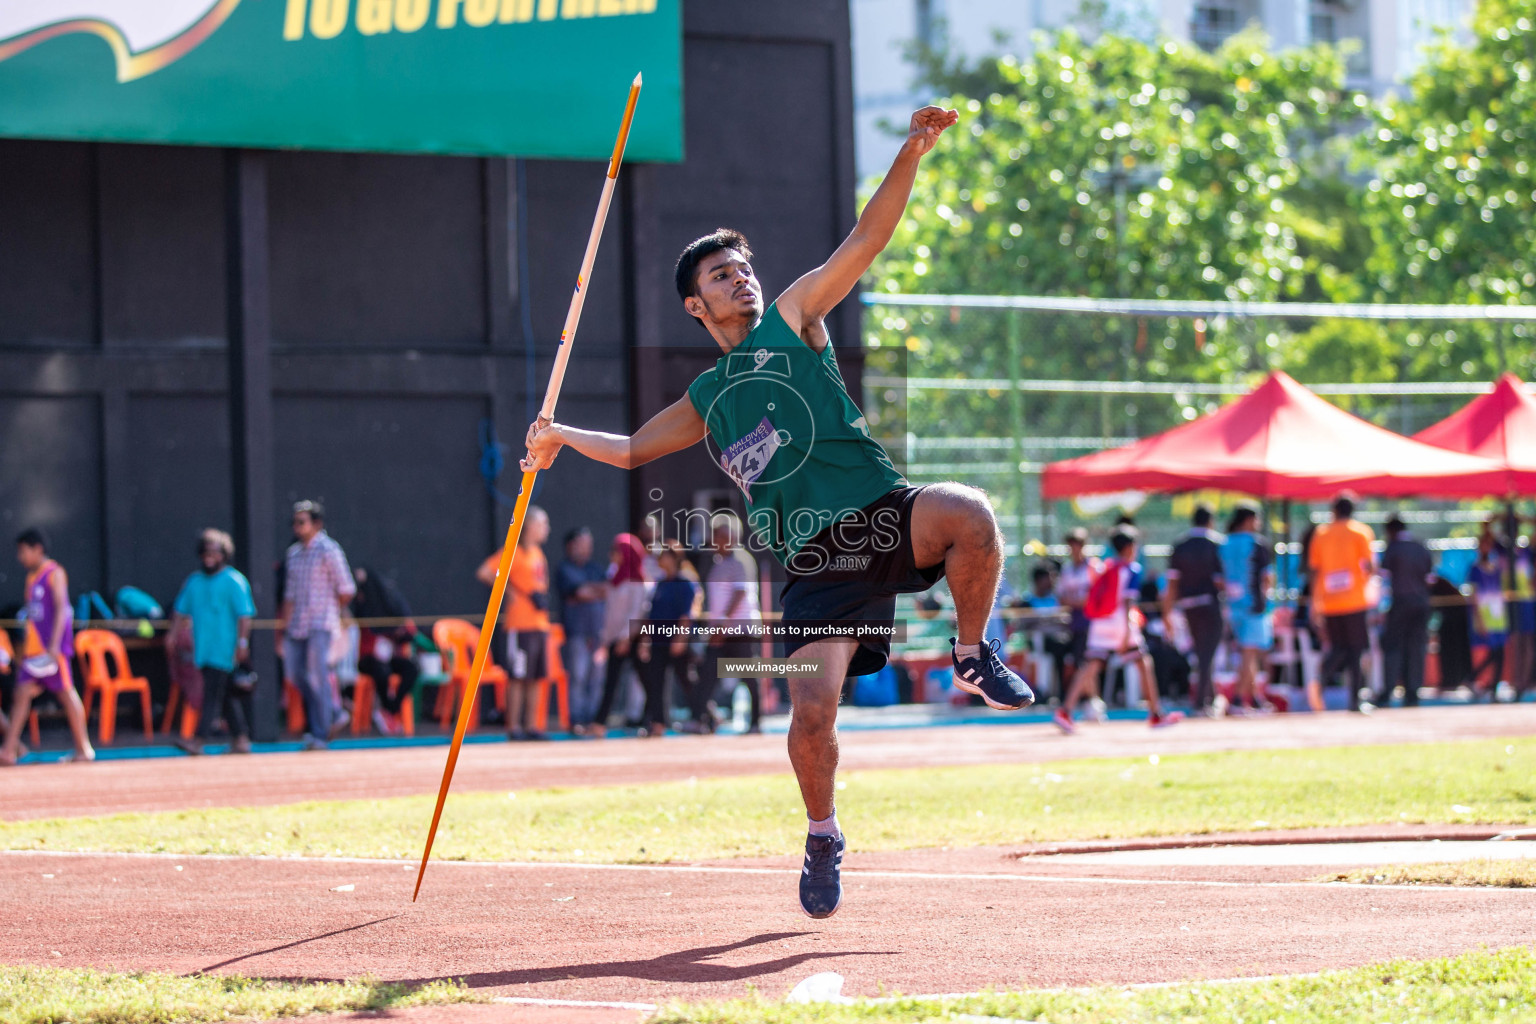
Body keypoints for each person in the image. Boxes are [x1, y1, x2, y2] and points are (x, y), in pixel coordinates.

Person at [520, 105, 1031, 918]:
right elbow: (627, 450)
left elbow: (865, 241)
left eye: (742, 267)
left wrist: (911, 153)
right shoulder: (706, 395)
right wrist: (557, 438)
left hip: (882, 514)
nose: (740, 278)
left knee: (968, 512)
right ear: (695, 306)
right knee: (812, 715)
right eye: (721, 276)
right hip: (815, 563)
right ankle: (823, 833)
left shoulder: (795, 319)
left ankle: (972, 654)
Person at [1053, 527, 1183, 733]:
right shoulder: (1132, 569)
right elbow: (1128, 602)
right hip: (1120, 622)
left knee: (1090, 665)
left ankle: (1065, 710)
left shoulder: (1108, 567)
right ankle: (1156, 713)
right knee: (1143, 661)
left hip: (1100, 623)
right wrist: (1126, 633)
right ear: (1131, 547)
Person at [0, 529, 94, 765]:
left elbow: (63, 609)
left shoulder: (55, 573)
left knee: (67, 694)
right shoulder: (31, 578)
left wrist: (54, 647)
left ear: (37, 549)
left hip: (52, 652)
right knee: (21, 695)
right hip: (34, 652)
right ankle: (9, 750)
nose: (20, 557)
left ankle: (84, 748)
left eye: (23, 551)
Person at [165, 529, 257, 755]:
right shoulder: (195, 582)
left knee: (211, 694)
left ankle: (198, 740)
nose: (210, 557)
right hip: (203, 648)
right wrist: (172, 635)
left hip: (225, 648)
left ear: (224, 554)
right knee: (223, 695)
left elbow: (245, 615)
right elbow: (180, 610)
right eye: (206, 552)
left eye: (215, 552)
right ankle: (241, 739)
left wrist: (242, 643)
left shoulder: (234, 580)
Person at [280, 500, 356, 749]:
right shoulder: (293, 554)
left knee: (316, 676)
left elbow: (346, 588)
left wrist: (331, 609)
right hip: (297, 626)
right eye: (295, 522)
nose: (297, 527)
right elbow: (289, 594)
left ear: (317, 524)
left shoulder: (329, 549)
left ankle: (320, 734)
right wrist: (284, 626)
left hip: (321, 624)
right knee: (295, 674)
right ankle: (334, 713)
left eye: (302, 522)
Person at [479, 506, 551, 740]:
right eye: (542, 524)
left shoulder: (538, 554)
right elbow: (485, 572)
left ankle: (532, 726)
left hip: (539, 623)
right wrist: (508, 590)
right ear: (529, 525)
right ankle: (514, 727)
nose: (546, 529)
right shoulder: (514, 551)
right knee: (518, 676)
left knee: (535, 677)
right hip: (519, 624)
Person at [1306, 493, 1377, 712]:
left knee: (1338, 647)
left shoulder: (1321, 533)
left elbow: (1314, 569)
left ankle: (1321, 679)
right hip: (1355, 600)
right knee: (1355, 651)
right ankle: (1354, 700)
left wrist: (1315, 603)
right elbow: (1369, 566)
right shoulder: (1361, 532)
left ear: (1334, 510)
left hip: (1329, 602)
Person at [696, 514, 764, 734]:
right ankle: (704, 720)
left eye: (718, 535)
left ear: (731, 536)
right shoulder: (718, 563)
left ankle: (755, 723)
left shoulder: (740, 559)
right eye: (714, 535)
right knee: (707, 673)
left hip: (741, 630)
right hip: (721, 631)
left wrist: (723, 623)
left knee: (749, 676)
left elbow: (740, 592)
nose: (714, 539)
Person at [1163, 505, 1225, 714]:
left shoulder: (1180, 545)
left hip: (1188, 606)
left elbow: (1172, 583)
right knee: (1208, 651)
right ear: (1210, 521)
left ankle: (1211, 696)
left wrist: (1167, 612)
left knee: (1202, 651)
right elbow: (1221, 581)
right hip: (1210, 603)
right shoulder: (1217, 544)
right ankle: (1200, 701)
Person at [590, 533, 651, 737]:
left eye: (616, 552)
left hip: (631, 639)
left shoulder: (637, 581)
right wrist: (605, 640)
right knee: (611, 682)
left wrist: (625, 637)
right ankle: (599, 725)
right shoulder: (615, 579)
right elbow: (610, 613)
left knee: (646, 681)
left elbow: (636, 611)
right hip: (616, 640)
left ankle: (655, 721)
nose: (612, 556)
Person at [636, 542, 697, 737]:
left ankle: (705, 714)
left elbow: (686, 615)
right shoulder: (660, 583)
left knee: (687, 681)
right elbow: (651, 615)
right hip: (658, 641)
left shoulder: (685, 583)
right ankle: (658, 724)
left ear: (673, 558)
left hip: (677, 642)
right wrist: (645, 639)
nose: (659, 559)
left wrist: (680, 639)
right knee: (656, 683)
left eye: (663, 555)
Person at [1219, 506, 1274, 714]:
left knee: (1246, 653)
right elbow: (1267, 578)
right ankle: (1235, 699)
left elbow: (1221, 579)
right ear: (1250, 520)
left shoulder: (1224, 544)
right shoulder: (1257, 544)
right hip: (1254, 606)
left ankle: (1256, 699)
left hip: (1232, 607)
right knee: (1249, 654)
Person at [351, 565, 418, 735]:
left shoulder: (390, 605)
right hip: (368, 658)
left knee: (411, 668)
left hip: (388, 657)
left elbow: (409, 632)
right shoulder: (362, 607)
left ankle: (390, 709)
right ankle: (387, 710)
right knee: (381, 670)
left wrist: (399, 632)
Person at [555, 527, 608, 734]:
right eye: (582, 543)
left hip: (598, 633)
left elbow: (606, 590)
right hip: (577, 632)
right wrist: (593, 591)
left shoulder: (595, 568)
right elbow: (580, 593)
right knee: (577, 676)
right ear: (571, 545)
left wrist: (590, 590)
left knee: (596, 678)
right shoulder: (564, 569)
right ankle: (576, 720)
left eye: (589, 544)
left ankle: (592, 720)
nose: (587, 548)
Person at [1377, 515, 1432, 708]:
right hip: (1421, 604)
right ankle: (1412, 694)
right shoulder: (1420, 546)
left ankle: (1388, 692)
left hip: (1401, 603)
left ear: (1390, 531)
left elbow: (1383, 575)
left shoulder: (1394, 548)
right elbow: (1429, 576)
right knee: (1416, 648)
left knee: (1393, 647)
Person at [1467, 527, 1508, 699]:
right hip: (1485, 615)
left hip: (1498, 615)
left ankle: (1493, 688)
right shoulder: (1475, 569)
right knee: (1494, 652)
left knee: (1499, 653)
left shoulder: (1498, 568)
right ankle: (1473, 678)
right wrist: (1479, 619)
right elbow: (1474, 595)